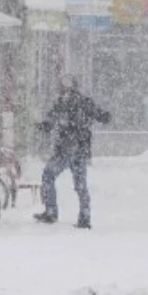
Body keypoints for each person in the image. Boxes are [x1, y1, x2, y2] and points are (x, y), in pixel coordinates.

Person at [33, 75, 111, 229]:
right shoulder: (85, 102)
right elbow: (100, 116)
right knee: (80, 184)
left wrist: (41, 126)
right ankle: (85, 216)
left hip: (65, 150)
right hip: (81, 149)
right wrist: (104, 116)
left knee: (48, 175)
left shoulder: (61, 103)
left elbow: (50, 123)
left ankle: (51, 211)